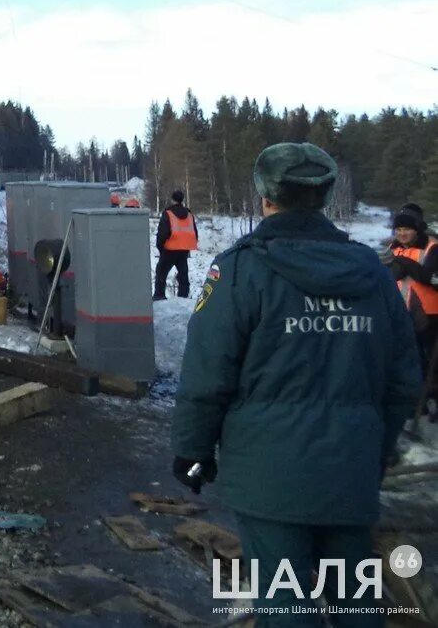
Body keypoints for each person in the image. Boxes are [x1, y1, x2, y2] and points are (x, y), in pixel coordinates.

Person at [171, 143, 421, 624]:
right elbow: (402, 378)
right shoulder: (370, 270)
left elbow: (208, 370)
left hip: (271, 478)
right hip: (350, 470)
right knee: (354, 601)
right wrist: (376, 449)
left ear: (266, 196)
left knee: (284, 603)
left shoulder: (241, 269)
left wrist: (192, 447)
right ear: (324, 197)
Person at [387, 203, 438, 408]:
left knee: (431, 359)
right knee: (411, 358)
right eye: (398, 230)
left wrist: (403, 263)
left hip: (430, 312)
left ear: (416, 229)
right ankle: (420, 400)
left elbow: (427, 277)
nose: (402, 234)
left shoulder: (432, 247)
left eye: (406, 229)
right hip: (403, 312)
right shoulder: (394, 248)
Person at [154, 190, 198, 301]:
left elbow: (162, 233)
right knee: (183, 274)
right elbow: (195, 232)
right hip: (184, 249)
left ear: (172, 200)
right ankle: (183, 297)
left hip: (170, 248)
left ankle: (159, 296)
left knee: (161, 272)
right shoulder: (189, 214)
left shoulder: (168, 213)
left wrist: (160, 247)